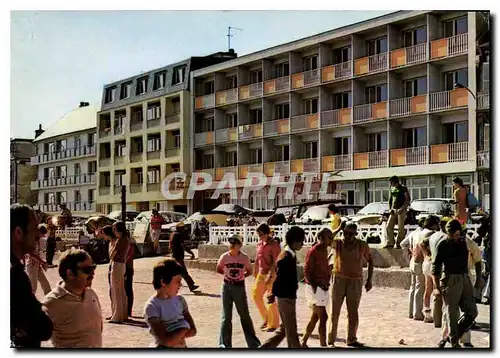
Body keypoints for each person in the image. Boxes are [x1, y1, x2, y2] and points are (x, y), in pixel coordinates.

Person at [11, 204, 53, 348]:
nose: (37, 234)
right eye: (34, 228)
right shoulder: (14, 277)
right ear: (18, 232)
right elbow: (42, 328)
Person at [41, 249, 102, 348]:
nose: (92, 274)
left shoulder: (91, 294)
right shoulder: (50, 304)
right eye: (87, 270)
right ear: (70, 274)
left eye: (93, 268)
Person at [432, 220, 478, 348]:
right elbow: (435, 267)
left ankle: (452, 335)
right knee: (452, 313)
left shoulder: (464, 242)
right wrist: (436, 287)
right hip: (450, 279)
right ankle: (454, 343)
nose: (455, 237)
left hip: (464, 278)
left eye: (457, 234)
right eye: (452, 235)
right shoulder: (442, 244)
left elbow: (477, 256)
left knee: (472, 312)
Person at [328, 222, 373, 348]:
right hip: (338, 279)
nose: (347, 236)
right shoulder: (338, 243)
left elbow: (370, 260)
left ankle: (351, 339)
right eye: (345, 233)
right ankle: (331, 340)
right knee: (334, 311)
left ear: (355, 234)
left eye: (350, 234)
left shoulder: (361, 245)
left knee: (353, 312)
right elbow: (326, 238)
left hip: (355, 281)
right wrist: (338, 228)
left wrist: (369, 280)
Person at [259, 226, 305, 349]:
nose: (302, 244)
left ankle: (265, 348)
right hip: (285, 297)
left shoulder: (289, 253)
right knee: (291, 331)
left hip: (287, 295)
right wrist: (273, 293)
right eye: (301, 241)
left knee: (284, 330)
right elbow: (279, 277)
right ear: (295, 241)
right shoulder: (286, 256)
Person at [217, 235, 261, 348]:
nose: (232, 244)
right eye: (230, 242)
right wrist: (228, 276)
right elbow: (218, 268)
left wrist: (240, 277)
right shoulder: (224, 257)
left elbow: (250, 271)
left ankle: (253, 343)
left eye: (235, 242)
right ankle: (224, 344)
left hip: (239, 287)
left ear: (240, 245)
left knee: (244, 315)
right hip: (226, 286)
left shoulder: (244, 258)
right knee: (226, 317)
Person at [144, 258, 197, 348]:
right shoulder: (152, 306)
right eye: (177, 281)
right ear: (163, 282)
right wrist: (184, 328)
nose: (180, 285)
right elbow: (166, 341)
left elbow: (193, 331)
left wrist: (174, 334)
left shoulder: (180, 300)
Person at [301, 228, 334, 348]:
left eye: (331, 237)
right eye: (329, 238)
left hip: (323, 287)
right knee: (323, 316)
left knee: (315, 317)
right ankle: (323, 345)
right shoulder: (314, 250)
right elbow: (307, 270)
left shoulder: (325, 249)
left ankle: (304, 341)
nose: (331, 240)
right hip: (315, 287)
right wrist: (315, 287)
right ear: (321, 238)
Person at [410, 215, 440, 322]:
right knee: (436, 289)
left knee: (425, 289)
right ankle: (436, 315)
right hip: (431, 263)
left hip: (423, 263)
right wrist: (428, 253)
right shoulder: (432, 234)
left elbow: (417, 245)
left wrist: (425, 254)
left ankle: (424, 313)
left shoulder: (418, 233)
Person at [253, 223, 281, 332]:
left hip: (272, 274)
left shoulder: (274, 245)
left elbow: (277, 261)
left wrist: (271, 275)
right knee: (256, 295)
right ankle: (266, 318)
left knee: (270, 298)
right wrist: (255, 269)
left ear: (267, 233)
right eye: (258, 234)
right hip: (261, 273)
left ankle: (273, 324)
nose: (259, 236)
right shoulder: (259, 243)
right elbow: (257, 257)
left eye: (261, 234)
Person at [428, 218, 449, 328]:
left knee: (436, 293)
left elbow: (423, 244)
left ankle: (437, 320)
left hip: (434, 264)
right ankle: (446, 320)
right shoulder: (444, 237)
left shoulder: (433, 236)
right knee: (445, 295)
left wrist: (428, 255)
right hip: (443, 267)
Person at [108, 221, 130, 323]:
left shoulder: (120, 240)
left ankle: (117, 316)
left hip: (117, 264)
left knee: (116, 291)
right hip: (122, 264)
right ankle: (123, 314)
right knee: (121, 290)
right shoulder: (126, 239)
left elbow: (112, 255)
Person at [170, 224, 199, 292]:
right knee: (183, 272)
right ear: (179, 228)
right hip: (178, 257)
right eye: (182, 228)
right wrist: (191, 253)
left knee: (178, 273)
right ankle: (191, 286)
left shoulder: (173, 234)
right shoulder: (178, 235)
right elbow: (183, 246)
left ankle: (191, 285)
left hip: (175, 256)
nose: (184, 229)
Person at [384, 176, 411, 249]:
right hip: (393, 210)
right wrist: (390, 209)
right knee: (388, 226)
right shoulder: (392, 188)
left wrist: (402, 208)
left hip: (401, 210)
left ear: (395, 181)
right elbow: (390, 200)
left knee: (400, 227)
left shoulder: (403, 188)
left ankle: (399, 243)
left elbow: (408, 199)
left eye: (391, 182)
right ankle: (390, 242)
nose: (390, 184)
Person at [25, 224, 52, 296]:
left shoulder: (37, 240)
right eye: (42, 234)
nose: (42, 236)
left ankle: (50, 300)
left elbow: (36, 254)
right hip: (32, 265)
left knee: (45, 284)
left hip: (37, 264)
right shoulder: (32, 240)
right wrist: (43, 262)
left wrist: (41, 263)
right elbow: (31, 254)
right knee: (33, 287)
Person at [125, 234, 135, 317]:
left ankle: (129, 310)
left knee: (128, 289)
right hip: (126, 268)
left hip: (128, 268)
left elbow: (128, 257)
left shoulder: (130, 246)